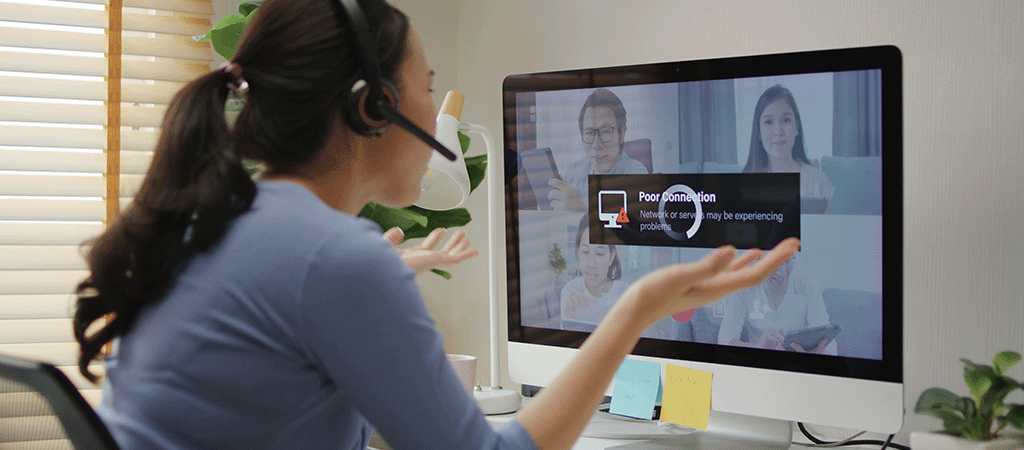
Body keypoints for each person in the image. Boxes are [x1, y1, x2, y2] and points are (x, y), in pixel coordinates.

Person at [71, 0, 800, 449]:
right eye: (425, 87)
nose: (436, 110)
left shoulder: (218, 216)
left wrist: (383, 276)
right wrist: (639, 306)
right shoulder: (331, 258)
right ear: (372, 109)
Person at [548, 88, 648, 211]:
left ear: (621, 133)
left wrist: (580, 209)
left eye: (605, 131)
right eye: (589, 133)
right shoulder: (574, 171)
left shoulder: (636, 174)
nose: (596, 144)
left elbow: (628, 226)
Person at [717, 255, 838, 355]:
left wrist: (820, 355)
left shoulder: (806, 286)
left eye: (787, 261)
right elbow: (725, 339)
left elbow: (830, 342)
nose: (781, 273)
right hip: (758, 363)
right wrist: (757, 347)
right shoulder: (742, 287)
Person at [742, 84, 835, 201]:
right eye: (769, 122)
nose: (778, 131)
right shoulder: (745, 180)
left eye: (786, 120)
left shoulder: (818, 182)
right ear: (759, 132)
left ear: (796, 127)